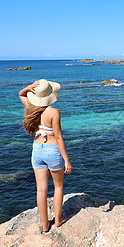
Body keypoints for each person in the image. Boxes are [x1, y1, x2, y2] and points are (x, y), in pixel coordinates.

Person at [19, 79, 72, 233]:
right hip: (52, 150)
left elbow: (21, 94)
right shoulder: (53, 112)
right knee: (58, 186)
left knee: (41, 190)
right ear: (50, 95)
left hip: (37, 149)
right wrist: (67, 160)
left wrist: (29, 87)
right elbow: (59, 137)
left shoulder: (31, 108)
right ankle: (58, 219)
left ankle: (44, 224)